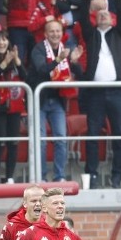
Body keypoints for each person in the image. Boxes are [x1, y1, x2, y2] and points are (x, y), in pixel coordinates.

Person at [79, 0, 121, 189]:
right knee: (92, 136)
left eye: (106, 14)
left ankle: (116, 177)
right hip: (95, 93)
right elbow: (82, 17)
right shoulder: (90, 35)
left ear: (112, 19)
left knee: (119, 135)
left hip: (117, 91)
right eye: (100, 14)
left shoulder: (118, 34)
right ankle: (91, 176)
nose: (103, 16)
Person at [30, 20, 83, 183]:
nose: (55, 34)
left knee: (61, 138)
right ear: (46, 34)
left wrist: (73, 62)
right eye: (51, 31)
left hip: (58, 101)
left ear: (62, 33)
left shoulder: (66, 49)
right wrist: (58, 60)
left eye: (58, 31)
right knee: (41, 141)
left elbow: (80, 73)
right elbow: (41, 70)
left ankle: (59, 176)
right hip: (39, 100)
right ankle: (41, 176)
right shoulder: (39, 49)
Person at [0, 30, 26, 185]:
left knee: (13, 143)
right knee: (0, 142)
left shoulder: (14, 58)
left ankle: (9, 177)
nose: (1, 43)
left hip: (14, 106)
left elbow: (26, 78)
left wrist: (17, 61)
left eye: (4, 40)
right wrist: (3, 63)